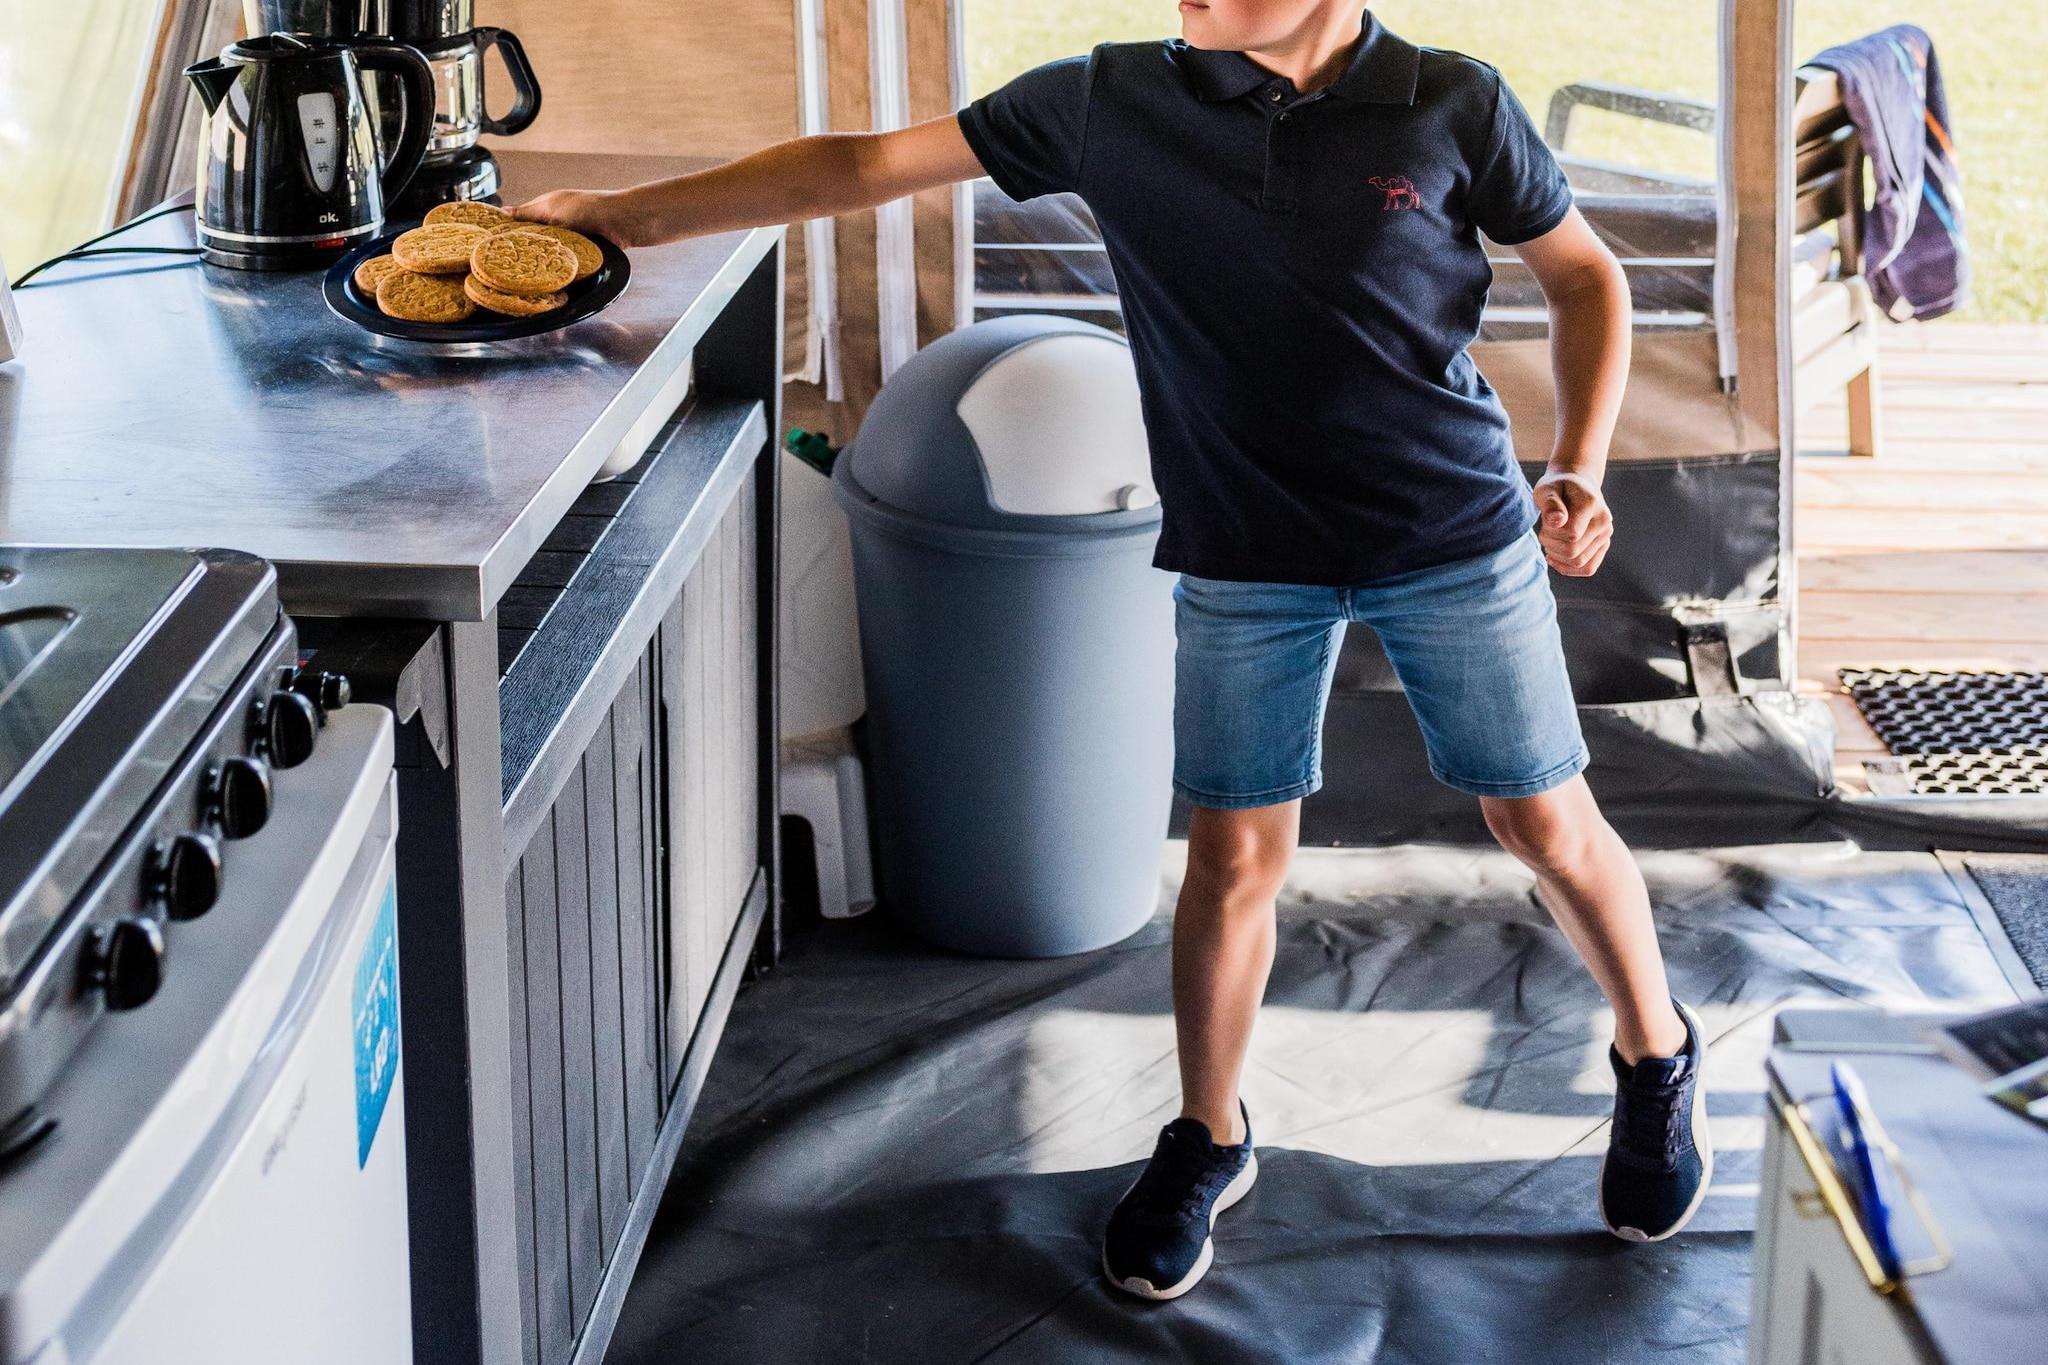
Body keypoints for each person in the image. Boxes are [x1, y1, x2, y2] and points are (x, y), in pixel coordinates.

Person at [517, 0, 1711, 1302]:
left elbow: (1585, 275)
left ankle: (1656, 1056)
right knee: (1233, 856)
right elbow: (861, 165)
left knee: (1542, 820)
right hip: (1245, 549)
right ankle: (1210, 1132)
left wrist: (1580, 463)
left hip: (1451, 531)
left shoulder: (1450, 102)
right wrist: (623, 218)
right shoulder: (1108, 101)